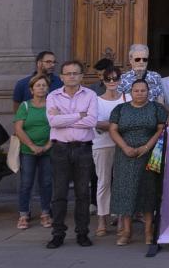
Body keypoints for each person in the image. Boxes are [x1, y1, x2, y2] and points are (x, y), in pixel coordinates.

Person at [109, 79, 167, 247]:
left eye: (143, 90)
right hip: (124, 155)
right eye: (136, 90)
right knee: (126, 191)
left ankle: (149, 230)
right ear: (130, 92)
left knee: (148, 192)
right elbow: (113, 129)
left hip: (149, 155)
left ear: (148, 92)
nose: (140, 93)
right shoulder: (120, 109)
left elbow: (161, 129)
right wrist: (125, 147)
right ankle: (126, 231)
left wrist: (147, 146)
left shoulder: (156, 108)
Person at [46, 60, 98, 248]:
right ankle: (58, 233)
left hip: (83, 148)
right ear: (61, 77)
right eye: (68, 73)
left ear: (82, 76)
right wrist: (78, 115)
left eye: (75, 73)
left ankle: (82, 233)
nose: (72, 76)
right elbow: (53, 121)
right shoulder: (52, 95)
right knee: (59, 193)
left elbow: (92, 121)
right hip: (60, 149)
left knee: (83, 193)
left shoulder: (91, 95)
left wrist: (64, 118)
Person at [13, 74, 53, 231]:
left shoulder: (52, 105)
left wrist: (48, 145)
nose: (41, 88)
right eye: (38, 86)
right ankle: (23, 214)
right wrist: (32, 146)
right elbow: (18, 128)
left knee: (47, 183)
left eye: (44, 85)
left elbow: (57, 126)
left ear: (48, 88)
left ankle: (45, 213)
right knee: (26, 183)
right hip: (28, 151)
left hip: (48, 150)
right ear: (31, 89)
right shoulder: (25, 106)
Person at [92, 66, 127, 238]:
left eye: (115, 78)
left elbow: (128, 122)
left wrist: (109, 125)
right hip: (101, 144)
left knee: (121, 182)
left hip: (123, 145)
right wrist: (117, 125)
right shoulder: (96, 100)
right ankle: (101, 219)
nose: (112, 82)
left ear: (120, 80)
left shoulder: (126, 98)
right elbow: (95, 123)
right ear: (103, 81)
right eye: (108, 79)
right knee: (103, 182)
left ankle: (120, 218)